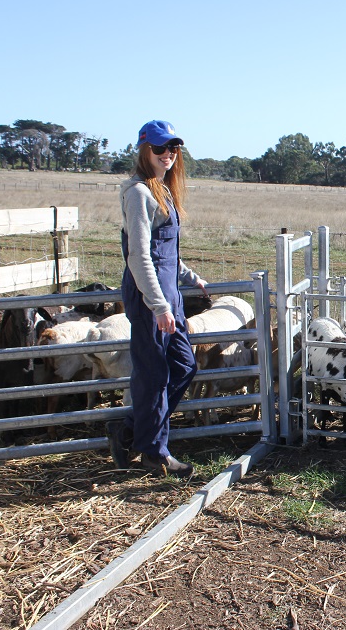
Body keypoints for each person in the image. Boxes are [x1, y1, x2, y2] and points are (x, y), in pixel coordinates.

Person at [106, 120, 208, 479]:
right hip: (150, 298)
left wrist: (190, 278)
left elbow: (165, 251)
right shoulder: (139, 194)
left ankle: (130, 431)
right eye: (160, 148)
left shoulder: (162, 190)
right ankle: (155, 453)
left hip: (170, 295)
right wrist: (159, 306)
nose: (168, 155)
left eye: (173, 149)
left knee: (183, 366)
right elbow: (139, 256)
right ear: (143, 150)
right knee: (154, 375)